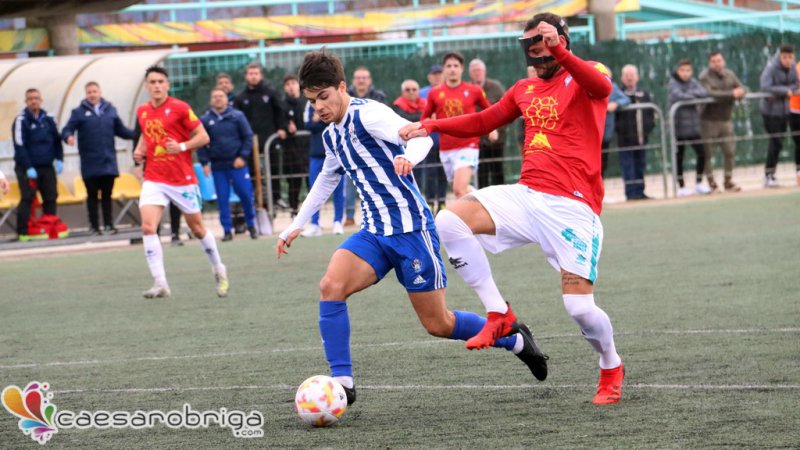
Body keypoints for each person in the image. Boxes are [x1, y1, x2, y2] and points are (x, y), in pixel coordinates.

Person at [277, 50, 547, 406]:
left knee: (439, 324)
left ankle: (514, 338)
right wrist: (295, 225)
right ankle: (343, 383)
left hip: (411, 231)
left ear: (342, 87)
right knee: (331, 286)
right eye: (312, 101)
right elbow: (327, 178)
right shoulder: (331, 136)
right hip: (374, 233)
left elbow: (420, 137)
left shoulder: (369, 115)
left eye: (323, 97)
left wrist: (409, 156)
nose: (319, 107)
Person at [400, 12, 624, 405]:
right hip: (526, 195)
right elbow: (483, 120)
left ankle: (610, 364)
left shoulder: (587, 72)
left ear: (562, 41)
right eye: (533, 51)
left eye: (545, 48)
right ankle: (499, 313)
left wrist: (559, 49)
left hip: (572, 208)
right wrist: (432, 126)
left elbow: (602, 86)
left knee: (580, 309)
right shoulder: (524, 88)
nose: (539, 58)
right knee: (449, 221)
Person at [133, 65, 228, 299]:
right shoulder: (142, 111)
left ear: (167, 85)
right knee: (148, 227)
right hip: (154, 177)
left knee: (197, 229)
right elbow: (146, 134)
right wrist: (139, 151)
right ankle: (160, 283)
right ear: (146, 86)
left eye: (160, 82)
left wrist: (182, 146)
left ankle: (219, 268)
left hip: (181, 179)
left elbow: (203, 136)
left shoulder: (180, 108)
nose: (156, 86)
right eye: (152, 82)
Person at [62, 81, 135, 235]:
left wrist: (138, 134)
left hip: (108, 161)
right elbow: (68, 129)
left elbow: (121, 130)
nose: (92, 95)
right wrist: (68, 137)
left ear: (100, 92)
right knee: (92, 195)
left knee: (107, 195)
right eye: (89, 92)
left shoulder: (110, 110)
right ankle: (95, 226)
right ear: (86, 94)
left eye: (94, 91)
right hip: (90, 162)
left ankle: (109, 224)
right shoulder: (79, 112)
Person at [422, 51, 495, 199]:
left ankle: (476, 211)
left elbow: (490, 111)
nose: (452, 69)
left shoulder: (474, 90)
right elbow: (425, 117)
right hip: (446, 148)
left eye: (456, 66)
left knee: (459, 189)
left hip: (468, 145)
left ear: (462, 69)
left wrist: (492, 129)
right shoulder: (435, 93)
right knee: (462, 190)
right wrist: (429, 123)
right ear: (444, 69)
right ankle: (486, 202)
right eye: (449, 66)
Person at [199, 88, 258, 242]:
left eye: (221, 96)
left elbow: (248, 137)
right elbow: (201, 142)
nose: (218, 99)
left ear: (227, 99)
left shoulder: (237, 116)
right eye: (215, 96)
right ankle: (227, 230)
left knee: (245, 195)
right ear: (211, 100)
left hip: (237, 165)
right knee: (222, 198)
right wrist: (204, 162)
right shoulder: (205, 120)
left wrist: (242, 157)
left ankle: (251, 225)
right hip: (218, 166)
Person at [233, 63, 287, 210]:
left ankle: (276, 197)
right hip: (250, 142)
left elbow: (280, 111)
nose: (253, 76)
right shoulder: (240, 97)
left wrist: (281, 128)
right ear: (246, 76)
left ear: (261, 75)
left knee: (273, 169)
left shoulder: (270, 93)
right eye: (250, 74)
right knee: (251, 172)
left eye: (256, 73)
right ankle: (255, 199)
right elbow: (236, 119)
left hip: (270, 140)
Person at [12, 88, 63, 242]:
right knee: (28, 198)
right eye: (30, 99)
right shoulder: (21, 120)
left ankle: (49, 227)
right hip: (27, 168)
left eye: (36, 98)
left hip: (47, 166)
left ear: (41, 100)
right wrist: (28, 166)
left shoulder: (49, 119)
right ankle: (23, 231)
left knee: (51, 197)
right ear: (26, 101)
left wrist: (59, 159)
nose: (33, 101)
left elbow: (57, 141)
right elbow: (19, 145)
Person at [343, 66, 387, 227]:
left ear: (370, 80)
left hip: (374, 148)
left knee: (377, 183)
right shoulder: (345, 96)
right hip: (351, 148)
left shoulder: (379, 96)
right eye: (358, 77)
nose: (361, 80)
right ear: (353, 81)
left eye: (364, 77)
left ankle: (379, 214)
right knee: (350, 183)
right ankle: (349, 216)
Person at [698, 51, 747, 193]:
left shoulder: (730, 74)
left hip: (726, 120)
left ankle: (728, 181)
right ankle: (711, 183)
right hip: (708, 120)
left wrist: (741, 92)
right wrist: (731, 94)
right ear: (709, 63)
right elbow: (710, 93)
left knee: (730, 151)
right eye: (713, 61)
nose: (717, 64)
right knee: (707, 154)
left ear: (723, 61)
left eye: (719, 60)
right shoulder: (704, 77)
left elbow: (743, 88)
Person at [300, 98, 345, 237]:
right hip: (316, 153)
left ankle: (337, 222)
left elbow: (336, 120)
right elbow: (308, 125)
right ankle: (314, 224)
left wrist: (318, 119)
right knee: (314, 189)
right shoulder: (310, 103)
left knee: (339, 188)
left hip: (336, 152)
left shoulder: (334, 98)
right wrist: (322, 120)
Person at [667, 60, 711, 196]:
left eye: (688, 70)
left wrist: (689, 95)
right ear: (677, 71)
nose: (685, 73)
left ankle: (699, 183)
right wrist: (692, 96)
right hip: (678, 127)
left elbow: (703, 93)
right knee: (679, 157)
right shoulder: (672, 83)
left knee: (702, 153)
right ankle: (681, 187)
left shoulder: (693, 82)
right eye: (682, 70)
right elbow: (678, 96)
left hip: (693, 127)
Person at [760, 44, 798, 188]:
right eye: (785, 57)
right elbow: (765, 86)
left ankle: (771, 174)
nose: (788, 60)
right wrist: (784, 91)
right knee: (776, 142)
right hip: (770, 112)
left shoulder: (793, 67)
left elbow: (795, 83)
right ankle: (768, 174)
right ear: (780, 56)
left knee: (778, 142)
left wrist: (789, 90)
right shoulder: (771, 68)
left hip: (784, 110)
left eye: (790, 57)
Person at [616, 64, 655, 201]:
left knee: (640, 165)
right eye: (627, 75)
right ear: (622, 78)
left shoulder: (644, 94)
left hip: (641, 138)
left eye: (632, 75)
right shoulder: (618, 94)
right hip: (625, 140)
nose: (629, 78)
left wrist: (647, 130)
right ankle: (630, 193)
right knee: (628, 166)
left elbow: (650, 114)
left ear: (637, 77)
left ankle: (640, 191)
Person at [469, 58, 507, 188]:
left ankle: (500, 198)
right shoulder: (468, 90)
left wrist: (497, 131)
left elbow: (506, 110)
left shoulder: (496, 87)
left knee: (498, 172)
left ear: (484, 71)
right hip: (477, 141)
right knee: (481, 174)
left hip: (496, 140)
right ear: (470, 73)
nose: (477, 73)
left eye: (479, 70)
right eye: (474, 70)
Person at [281, 74, 308, 216]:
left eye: (293, 83)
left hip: (307, 149)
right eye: (288, 84)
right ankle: (294, 212)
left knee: (311, 182)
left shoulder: (307, 102)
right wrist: (286, 127)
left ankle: (313, 215)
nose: (291, 86)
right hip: (291, 151)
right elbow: (280, 122)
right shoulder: (282, 104)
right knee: (293, 183)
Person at [601, 70, 630, 177]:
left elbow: (626, 99)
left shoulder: (613, 87)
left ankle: (600, 185)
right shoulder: (588, 86)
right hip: (590, 133)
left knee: (603, 161)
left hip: (606, 132)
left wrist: (616, 104)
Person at [789, 60, 800, 186]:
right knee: (799, 143)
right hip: (796, 111)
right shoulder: (797, 68)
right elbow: (792, 85)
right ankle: (799, 173)